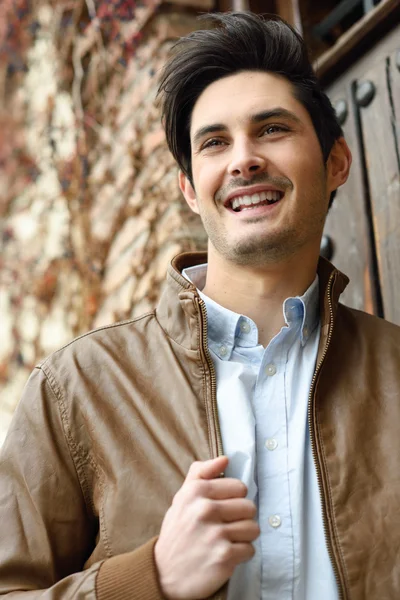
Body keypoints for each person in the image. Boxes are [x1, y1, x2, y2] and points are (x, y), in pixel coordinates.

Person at [0, 10, 399, 600]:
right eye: (214, 142)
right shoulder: (78, 387)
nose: (243, 159)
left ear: (336, 161)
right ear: (191, 188)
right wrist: (149, 577)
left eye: (272, 130)